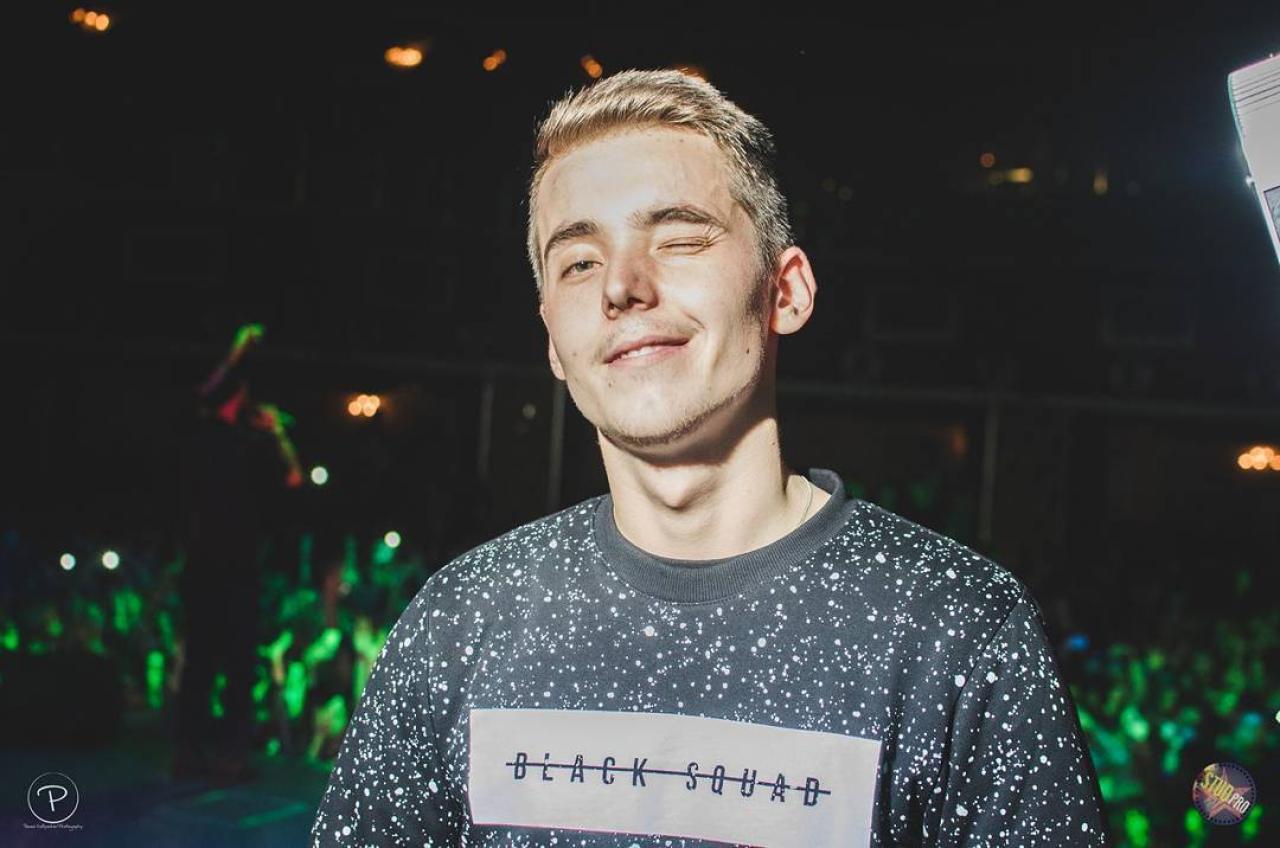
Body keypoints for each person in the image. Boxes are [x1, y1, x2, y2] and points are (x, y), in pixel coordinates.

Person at [311, 69, 1109, 846]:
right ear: (552, 337)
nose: (621, 286)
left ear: (785, 291)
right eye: (579, 261)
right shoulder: (460, 622)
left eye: (680, 238)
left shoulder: (957, 631)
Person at [173, 324, 302, 783]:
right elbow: (206, 391)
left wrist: (278, 435)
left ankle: (230, 754)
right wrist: (236, 351)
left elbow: (293, 480)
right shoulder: (203, 433)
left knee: (238, 665)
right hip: (207, 565)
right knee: (202, 663)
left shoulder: (253, 444)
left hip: (242, 568)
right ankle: (191, 751)